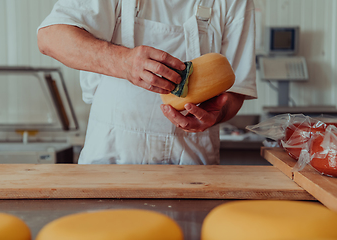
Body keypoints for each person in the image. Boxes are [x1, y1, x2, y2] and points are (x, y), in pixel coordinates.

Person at [37, 0, 257, 165]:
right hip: (111, 162)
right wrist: (122, 61)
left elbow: (236, 91)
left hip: (193, 169)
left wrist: (217, 114)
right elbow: (51, 38)